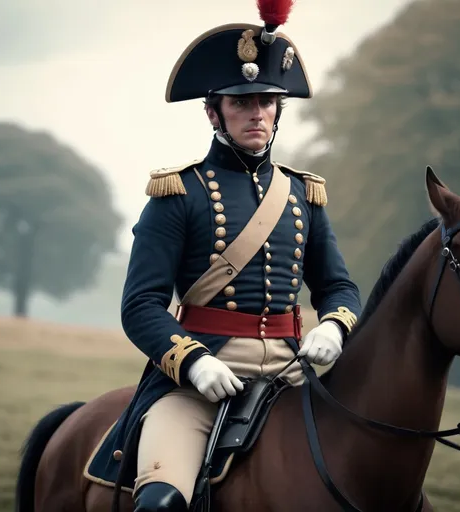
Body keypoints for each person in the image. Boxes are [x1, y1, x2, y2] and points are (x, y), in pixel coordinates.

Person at [84, 2, 361, 511]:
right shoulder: (177, 194)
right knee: (160, 504)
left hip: (292, 377)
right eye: (242, 103)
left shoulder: (302, 194)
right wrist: (192, 362)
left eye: (267, 102)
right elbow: (141, 306)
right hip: (199, 385)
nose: (257, 113)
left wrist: (335, 326)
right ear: (213, 111)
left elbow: (339, 287)